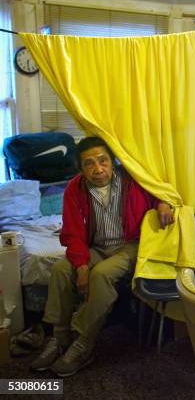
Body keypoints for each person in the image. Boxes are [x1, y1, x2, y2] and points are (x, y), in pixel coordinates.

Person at [30, 137, 174, 377]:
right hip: (96, 247)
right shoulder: (75, 190)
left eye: (103, 161)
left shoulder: (131, 179)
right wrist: (81, 266)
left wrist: (163, 203)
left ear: (112, 160)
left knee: (101, 275)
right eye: (89, 164)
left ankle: (83, 343)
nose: (98, 169)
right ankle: (60, 337)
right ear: (81, 169)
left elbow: (157, 189)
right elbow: (72, 234)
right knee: (60, 270)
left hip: (129, 245)